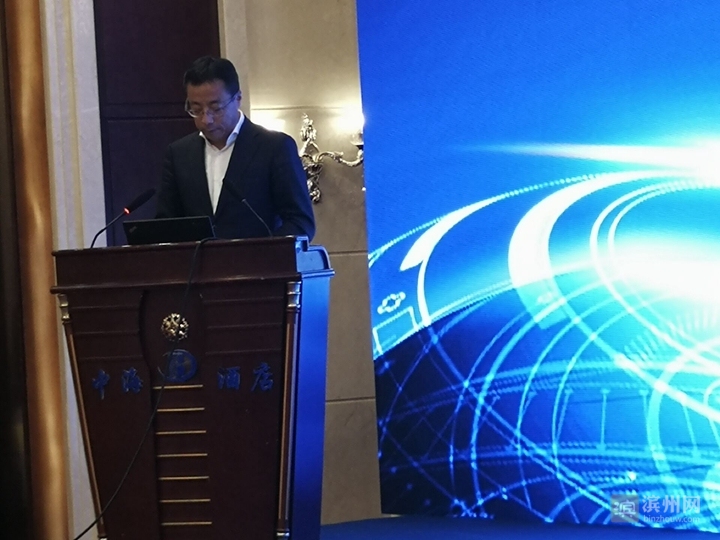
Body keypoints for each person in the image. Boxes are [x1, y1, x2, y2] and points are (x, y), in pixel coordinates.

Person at [156, 56, 315, 240]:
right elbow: (166, 224)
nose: (206, 119)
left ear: (238, 98)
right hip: (197, 259)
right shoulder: (179, 154)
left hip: (259, 258)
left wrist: (263, 252)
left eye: (216, 108)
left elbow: (300, 222)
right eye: (196, 110)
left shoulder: (274, 147)